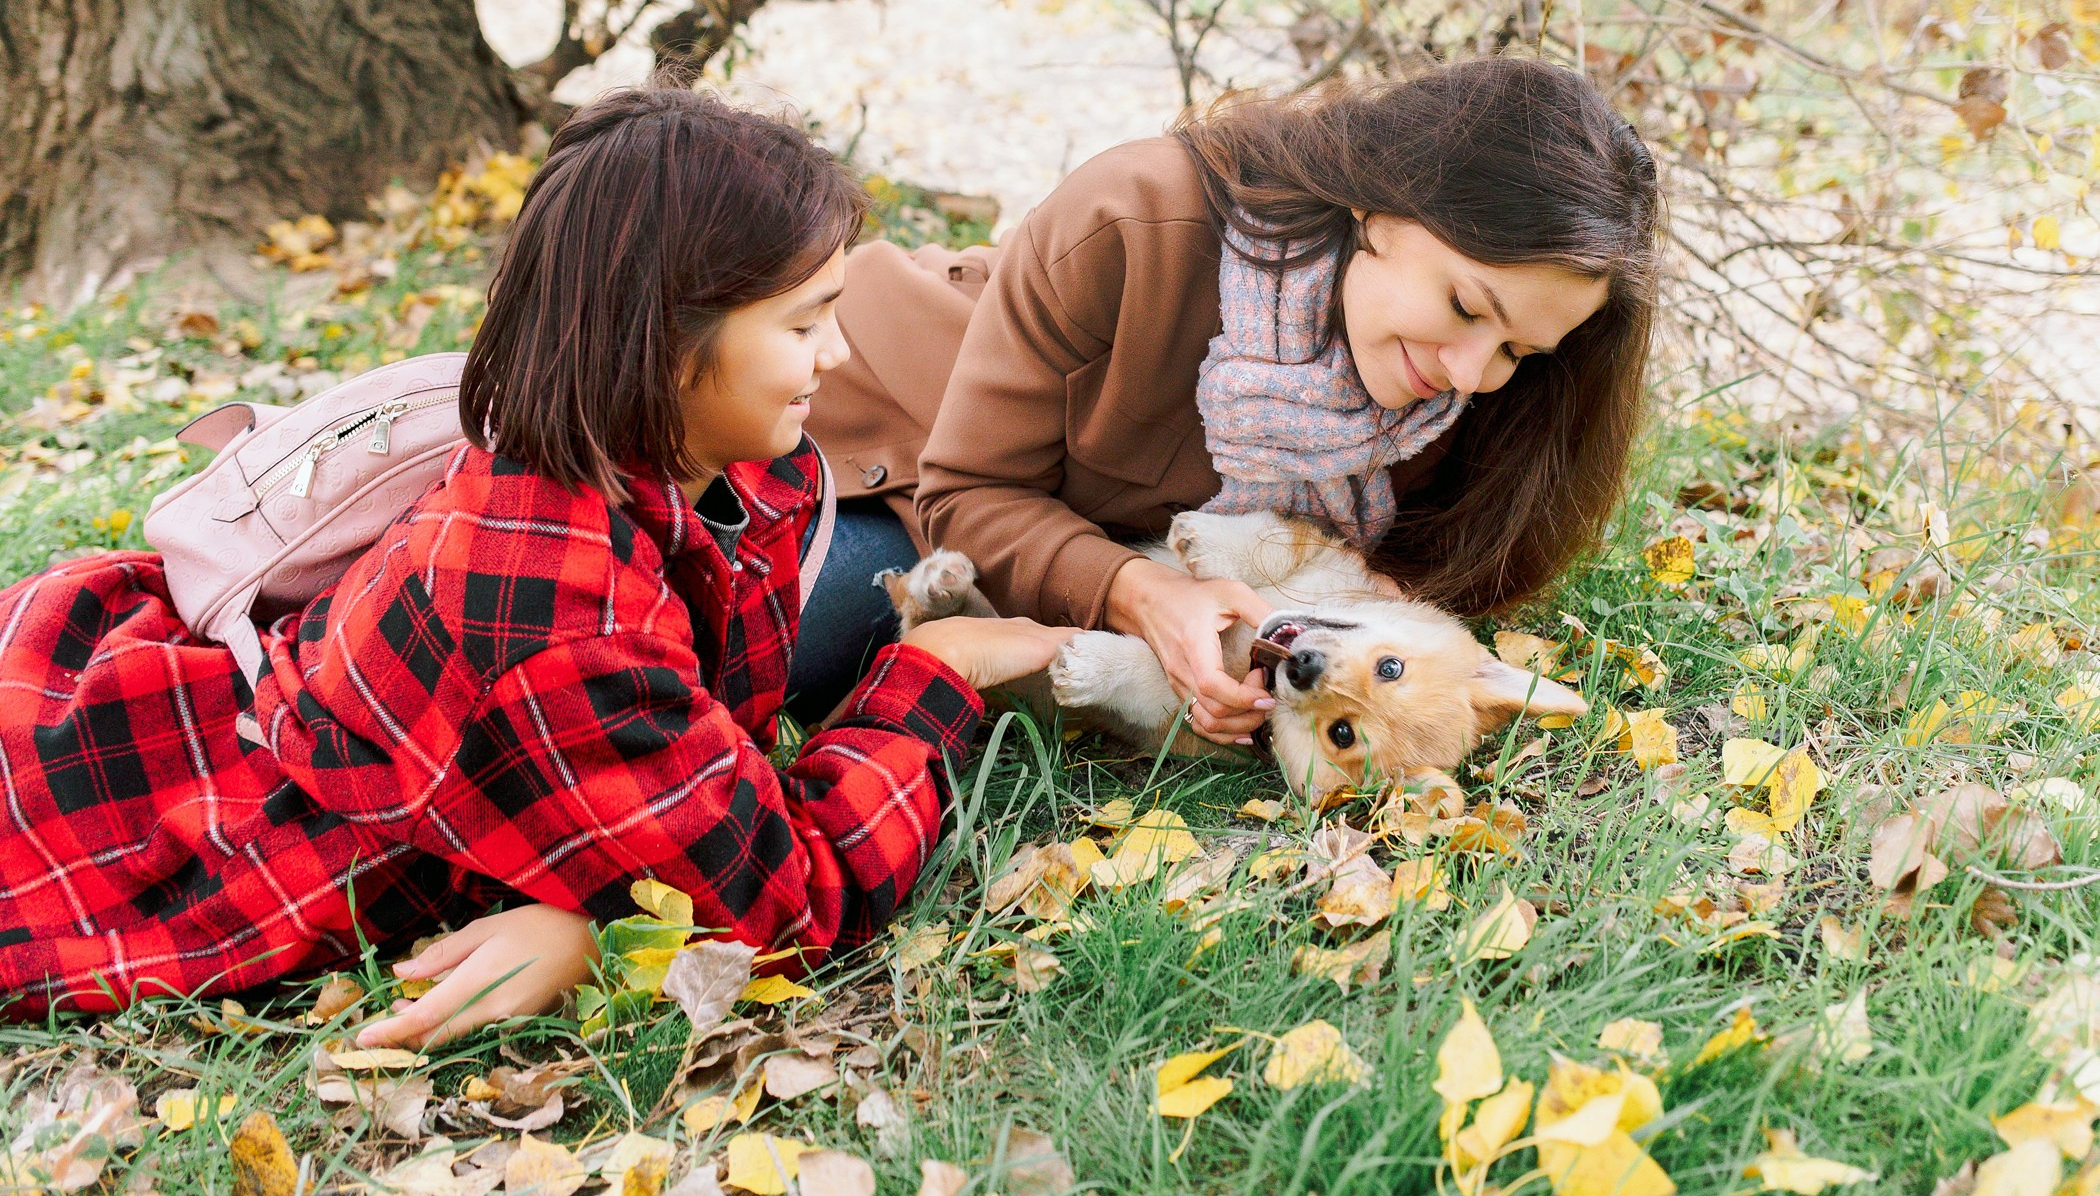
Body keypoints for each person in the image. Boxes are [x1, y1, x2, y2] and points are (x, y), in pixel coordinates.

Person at [0, 83, 1069, 1046]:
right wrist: (938, 672)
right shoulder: (561, 599)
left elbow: (701, 782)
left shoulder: (687, 463)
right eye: (804, 322)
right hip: (129, 813)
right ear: (662, 340)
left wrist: (599, 912)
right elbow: (791, 905)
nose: (835, 355)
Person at [798, 56, 1663, 746]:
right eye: (1468, 307)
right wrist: (1136, 592)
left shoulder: (1464, 404)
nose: (1473, 372)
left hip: (1003, 562)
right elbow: (969, 494)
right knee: (751, 652)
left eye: (1517, 349)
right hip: (866, 426)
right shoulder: (1135, 219)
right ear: (1382, 201)